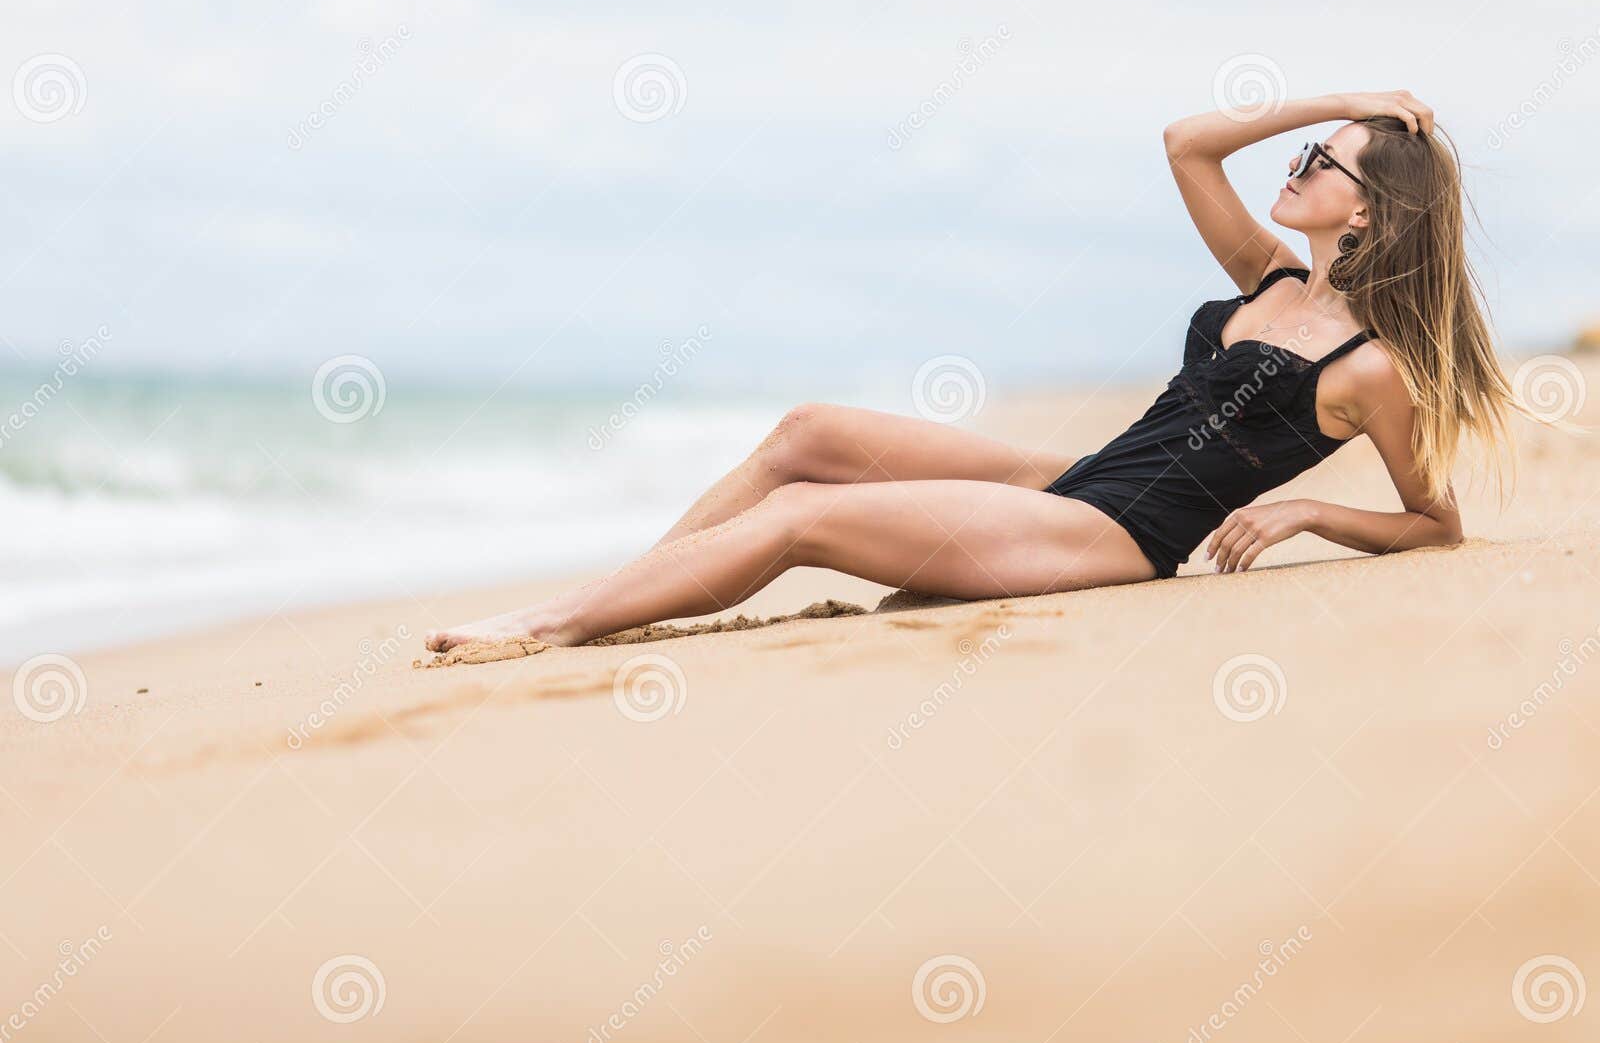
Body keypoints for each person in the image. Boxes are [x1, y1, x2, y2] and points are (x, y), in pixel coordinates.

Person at [426, 89, 1530, 655]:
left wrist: (1304, 515)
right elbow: (1186, 142)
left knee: (806, 513)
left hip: (1116, 537)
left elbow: (1436, 524)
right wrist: (1350, 97)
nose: (1291, 168)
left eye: (1317, 161)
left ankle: (546, 626)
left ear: (1373, 210)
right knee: (809, 430)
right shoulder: (1270, 281)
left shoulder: (1371, 367)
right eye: (1300, 153)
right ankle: (627, 596)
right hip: (1085, 476)